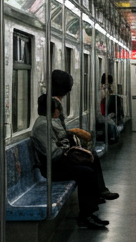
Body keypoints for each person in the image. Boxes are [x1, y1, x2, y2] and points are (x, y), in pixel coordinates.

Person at [31, 94, 116, 229]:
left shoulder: (46, 122)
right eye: (57, 109)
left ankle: (93, 205)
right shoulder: (43, 126)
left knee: (90, 159)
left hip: (57, 163)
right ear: (52, 110)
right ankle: (85, 217)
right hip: (51, 168)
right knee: (86, 173)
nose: (59, 112)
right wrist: (67, 146)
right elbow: (53, 153)